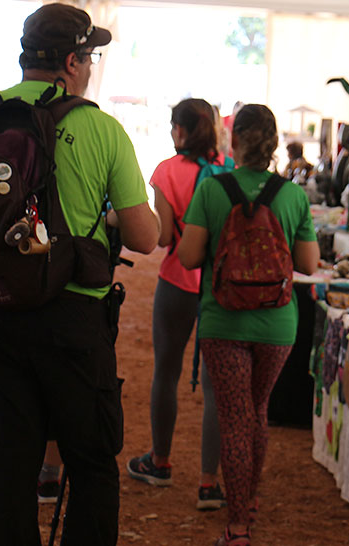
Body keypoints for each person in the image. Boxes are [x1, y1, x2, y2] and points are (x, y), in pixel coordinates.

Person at [0, 4, 160, 545]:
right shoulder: (100, 127)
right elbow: (146, 238)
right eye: (90, 57)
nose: (91, 67)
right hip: (75, 320)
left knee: (9, 467)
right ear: (72, 62)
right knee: (91, 464)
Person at [177, 104, 319, 545]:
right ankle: (249, 497)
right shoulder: (293, 196)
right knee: (257, 411)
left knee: (235, 419)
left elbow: (188, 256)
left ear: (233, 140)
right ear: (274, 143)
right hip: (277, 324)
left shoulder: (212, 189)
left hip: (224, 322)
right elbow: (309, 264)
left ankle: (237, 526)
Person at [126, 98, 231, 511]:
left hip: (178, 281)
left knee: (166, 372)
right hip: (220, 285)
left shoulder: (166, 172)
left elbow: (166, 238)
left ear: (182, 130)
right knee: (216, 385)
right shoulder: (228, 169)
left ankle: (161, 461)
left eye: (173, 125)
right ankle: (209, 483)